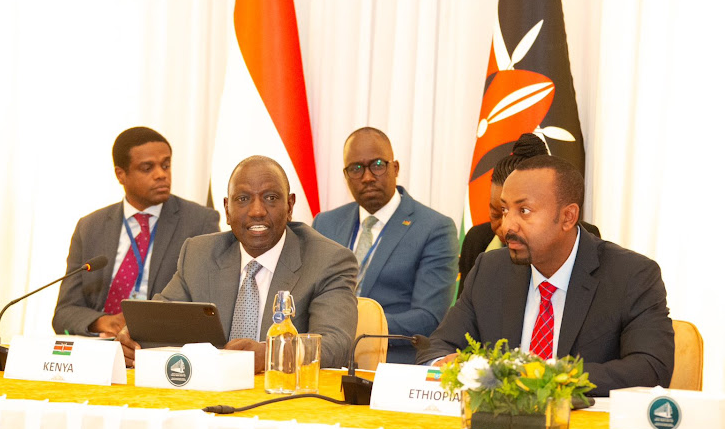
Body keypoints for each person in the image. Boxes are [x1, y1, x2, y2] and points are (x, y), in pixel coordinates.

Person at [417, 155, 674, 397]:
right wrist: (443, 363)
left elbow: (650, 368)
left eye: (524, 211)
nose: (507, 226)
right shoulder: (490, 270)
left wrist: (545, 377)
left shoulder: (631, 276)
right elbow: (440, 343)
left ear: (567, 217)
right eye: (505, 210)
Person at [119, 156, 359, 372]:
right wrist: (134, 335)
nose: (257, 211)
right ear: (227, 208)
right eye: (243, 199)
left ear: (289, 206)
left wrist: (268, 355)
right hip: (207, 397)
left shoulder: (328, 260)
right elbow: (160, 318)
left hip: (281, 402)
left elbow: (335, 344)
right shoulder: (199, 254)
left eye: (271, 198)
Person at [52, 127, 220, 337]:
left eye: (166, 165)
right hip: (101, 346)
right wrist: (103, 322)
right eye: (147, 168)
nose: (161, 175)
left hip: (160, 347)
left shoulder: (199, 222)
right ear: (121, 174)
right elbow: (65, 312)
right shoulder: (90, 227)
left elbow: (207, 306)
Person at [313, 127, 459, 364]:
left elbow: (429, 317)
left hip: (391, 363)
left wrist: (355, 324)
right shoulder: (325, 224)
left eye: (378, 164)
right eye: (356, 169)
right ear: (346, 175)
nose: (368, 177)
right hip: (327, 361)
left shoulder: (434, 228)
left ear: (395, 168)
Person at [458, 133, 600, 297]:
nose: (506, 226)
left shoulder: (582, 239)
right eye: (499, 212)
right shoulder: (478, 243)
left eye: (523, 211)